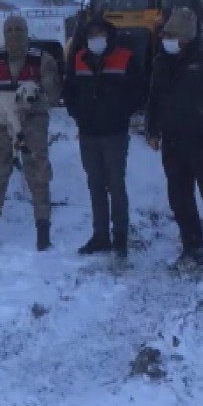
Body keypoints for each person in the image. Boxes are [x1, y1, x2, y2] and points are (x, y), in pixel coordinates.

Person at [145, 7, 203, 281]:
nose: (166, 40)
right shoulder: (162, 61)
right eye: (165, 35)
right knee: (180, 200)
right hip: (174, 144)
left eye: (171, 35)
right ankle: (193, 249)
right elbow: (154, 99)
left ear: (186, 37)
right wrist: (152, 130)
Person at [0, 14, 61, 252]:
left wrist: (29, 106)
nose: (14, 34)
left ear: (27, 32)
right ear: (3, 33)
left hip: (33, 122)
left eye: (19, 29)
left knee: (38, 175)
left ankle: (43, 230)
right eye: (9, 29)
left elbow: (53, 96)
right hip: (1, 123)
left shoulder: (43, 59)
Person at [63, 17, 145, 258]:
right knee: (95, 185)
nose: (95, 39)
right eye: (91, 35)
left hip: (114, 133)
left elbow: (139, 91)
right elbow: (70, 91)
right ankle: (100, 236)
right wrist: (77, 113)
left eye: (99, 34)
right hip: (88, 133)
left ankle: (120, 237)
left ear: (108, 36)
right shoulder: (78, 58)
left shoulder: (125, 58)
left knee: (116, 185)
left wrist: (120, 112)